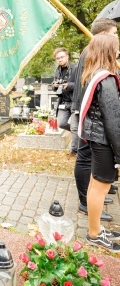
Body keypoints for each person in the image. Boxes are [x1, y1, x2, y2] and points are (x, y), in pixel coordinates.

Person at [71, 18, 119, 221]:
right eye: (114, 33)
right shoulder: (90, 52)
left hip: (92, 115)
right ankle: (85, 201)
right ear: (104, 35)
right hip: (89, 115)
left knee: (92, 164)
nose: (116, 36)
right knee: (84, 158)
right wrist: (83, 114)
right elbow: (85, 85)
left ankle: (92, 200)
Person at [79, 34, 120, 252]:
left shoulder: (95, 74)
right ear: (108, 51)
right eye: (117, 47)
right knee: (101, 186)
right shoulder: (107, 79)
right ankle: (94, 233)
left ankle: (95, 228)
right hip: (105, 139)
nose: (119, 51)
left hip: (97, 137)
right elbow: (113, 119)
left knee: (96, 183)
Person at [52, 47, 77, 156]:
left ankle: (74, 151)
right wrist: (55, 85)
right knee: (61, 123)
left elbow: (83, 84)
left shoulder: (76, 68)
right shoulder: (57, 70)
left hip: (75, 102)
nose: (60, 60)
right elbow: (53, 85)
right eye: (58, 58)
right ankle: (78, 134)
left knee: (75, 127)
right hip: (63, 102)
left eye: (62, 57)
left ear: (67, 56)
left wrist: (69, 85)